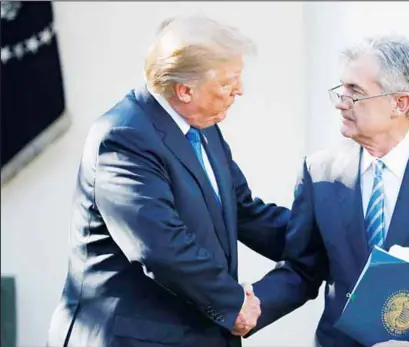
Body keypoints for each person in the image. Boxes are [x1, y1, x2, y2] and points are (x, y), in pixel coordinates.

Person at [241, 35, 409, 347]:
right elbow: (302, 269)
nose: (340, 101)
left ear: (400, 103)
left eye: (355, 92)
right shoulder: (318, 172)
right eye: (341, 88)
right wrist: (244, 307)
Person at [46, 15, 290, 347]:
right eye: (228, 82)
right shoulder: (123, 137)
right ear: (185, 90)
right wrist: (233, 303)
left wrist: (324, 236)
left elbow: (245, 212)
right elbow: (161, 246)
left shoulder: (204, 129)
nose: (240, 91)